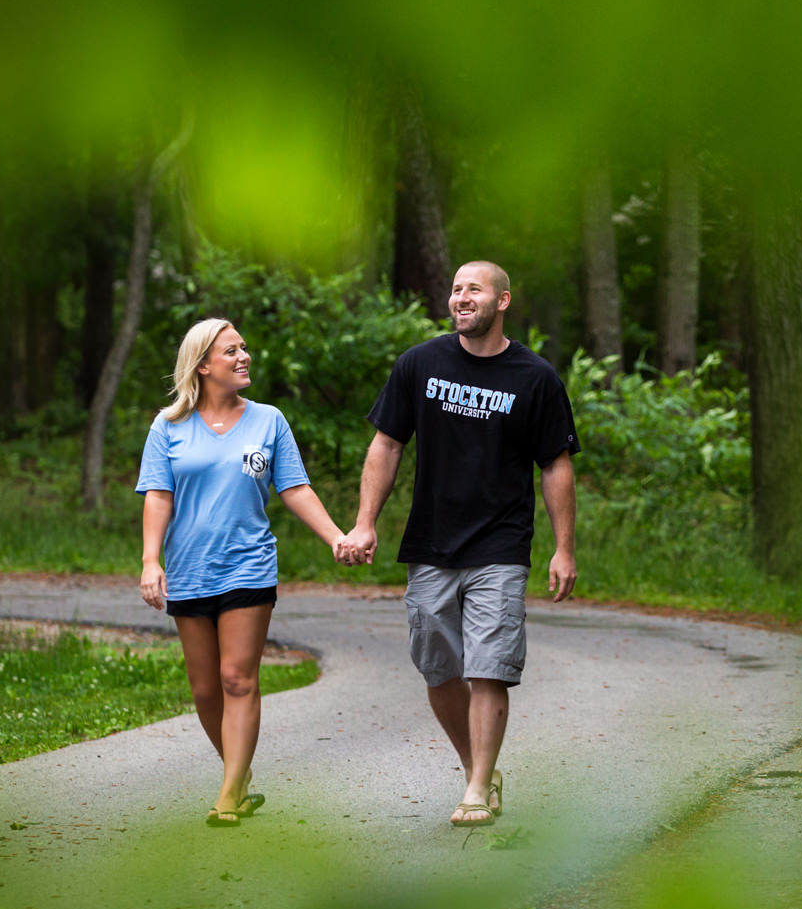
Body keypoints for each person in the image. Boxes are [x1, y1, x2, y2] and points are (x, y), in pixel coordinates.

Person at [341, 260, 579, 827]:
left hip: (501, 544)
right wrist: (364, 522)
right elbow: (387, 444)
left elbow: (556, 466)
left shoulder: (535, 377)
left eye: (473, 289)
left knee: (489, 666)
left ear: (502, 301)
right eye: (454, 289)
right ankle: (479, 765)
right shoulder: (420, 364)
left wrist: (563, 547)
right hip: (432, 543)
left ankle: (475, 788)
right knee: (438, 668)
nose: (460, 297)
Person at [136, 317, 355, 826]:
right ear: (203, 365)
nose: (244, 357)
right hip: (188, 568)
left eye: (244, 348)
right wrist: (151, 561)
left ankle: (230, 792)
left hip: (248, 566)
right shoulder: (168, 425)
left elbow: (294, 489)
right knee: (206, 689)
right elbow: (158, 496)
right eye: (231, 351)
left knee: (238, 679)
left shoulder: (268, 421)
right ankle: (239, 773)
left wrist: (336, 536)